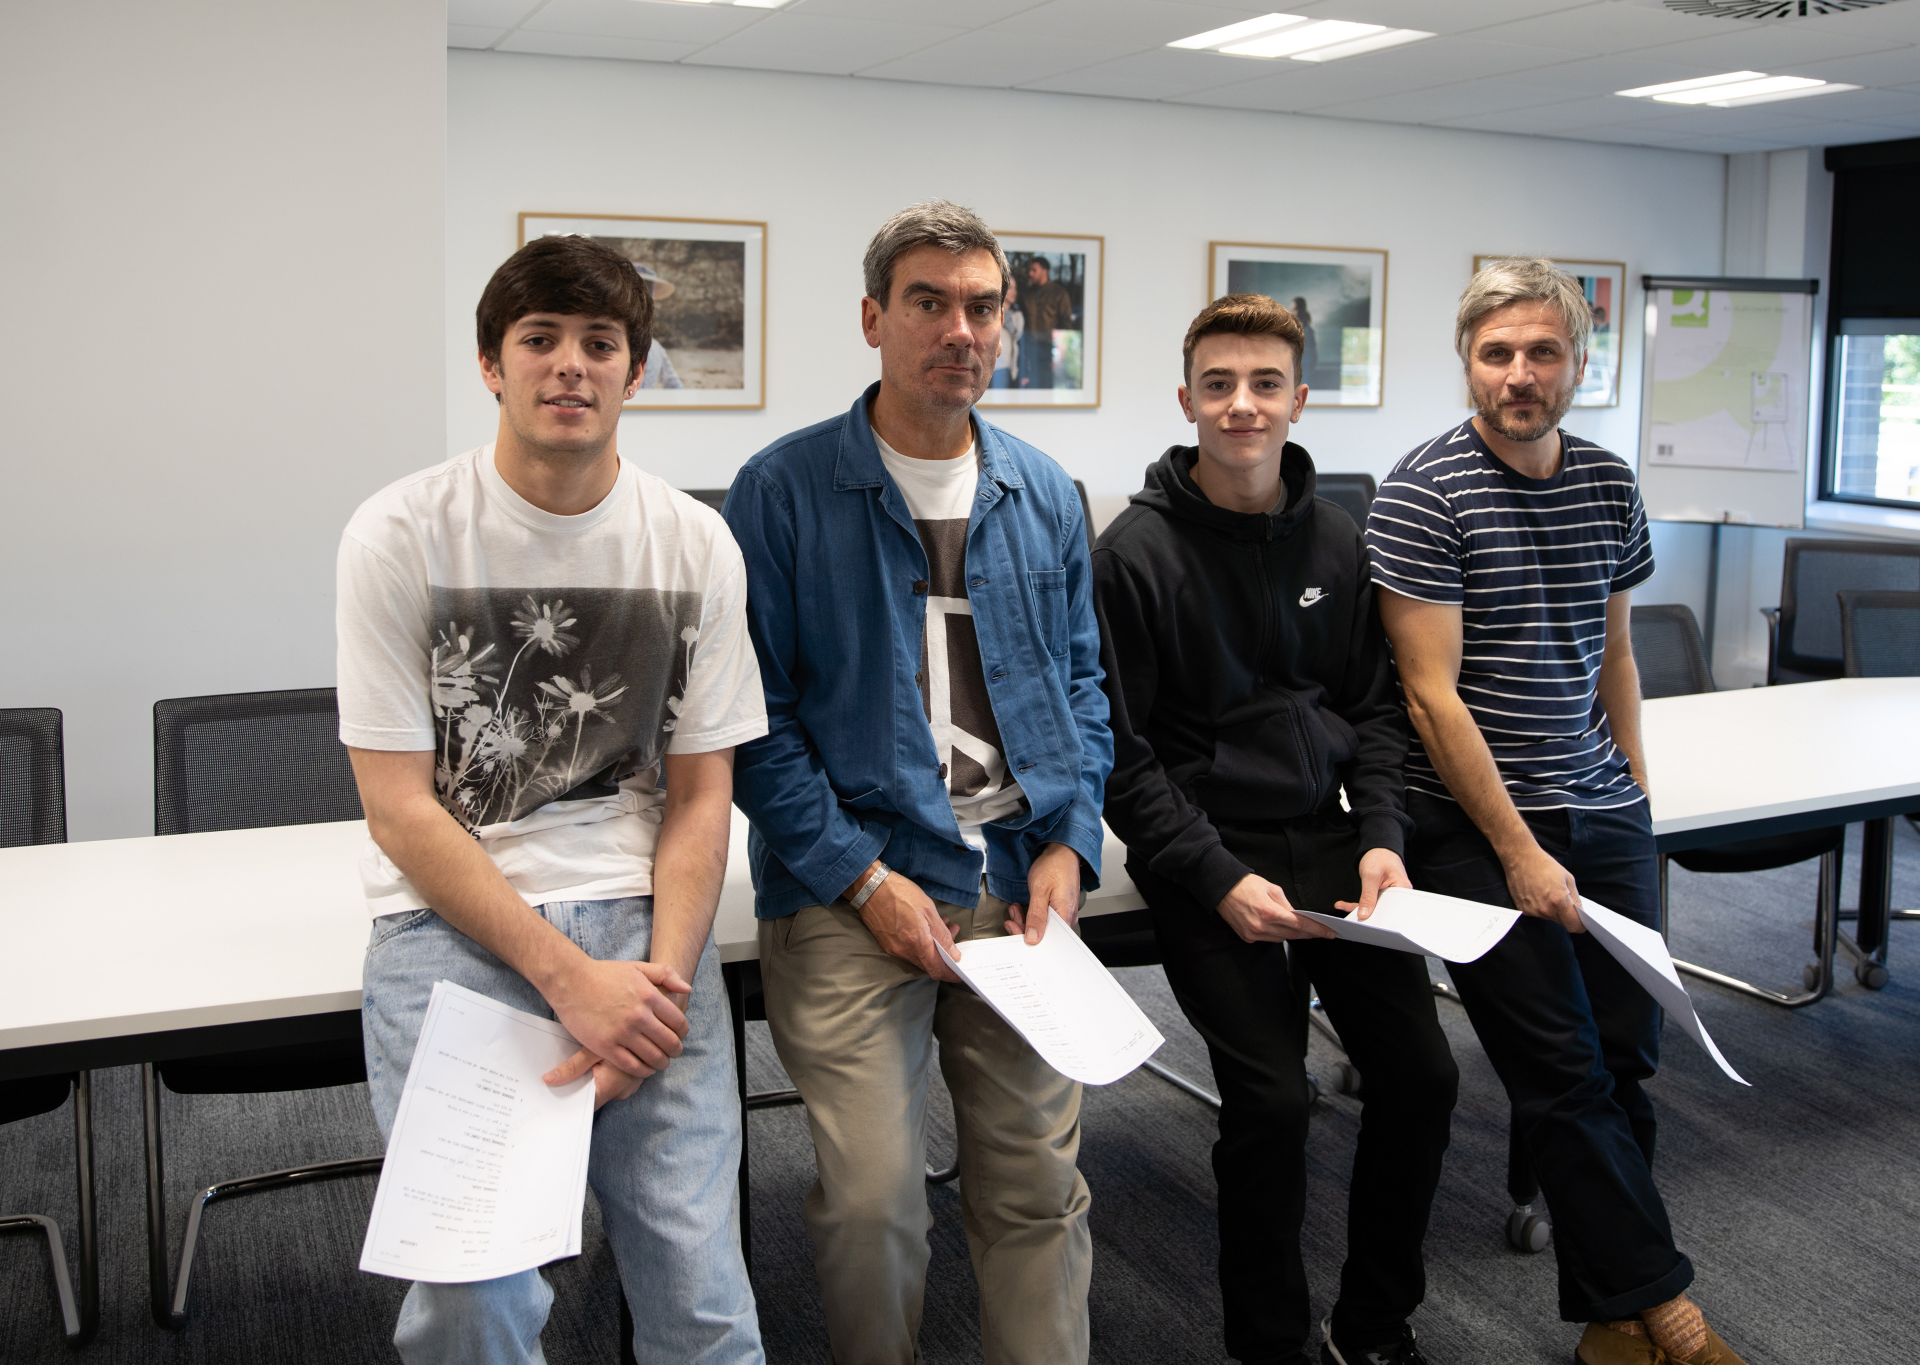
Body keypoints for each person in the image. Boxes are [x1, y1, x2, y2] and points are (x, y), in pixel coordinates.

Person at [336, 234, 767, 1365]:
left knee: (701, 1290)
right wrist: (570, 982)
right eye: (540, 340)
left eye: (599, 343)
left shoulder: (696, 545)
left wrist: (656, 999)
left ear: (635, 373)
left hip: (646, 931)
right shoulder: (400, 533)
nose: (569, 365)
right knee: (474, 1300)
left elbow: (700, 796)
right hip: (455, 930)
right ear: (492, 364)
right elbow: (400, 810)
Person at [723, 199, 1111, 1365]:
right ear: (873, 320)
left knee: (1039, 1189)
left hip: (1015, 881)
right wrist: (861, 878)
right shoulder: (783, 491)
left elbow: (1085, 688)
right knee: (876, 1204)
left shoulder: (1043, 490)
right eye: (930, 303)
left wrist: (1069, 842)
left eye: (984, 306)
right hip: (853, 888)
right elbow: (752, 727)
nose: (962, 329)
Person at [1365, 258, 1749, 1365]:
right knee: (1561, 1071)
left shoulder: (1609, 481)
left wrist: (1630, 787)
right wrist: (1523, 850)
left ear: (1581, 362)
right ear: (1467, 363)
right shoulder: (1426, 490)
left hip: (1601, 810)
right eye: (1497, 354)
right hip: (1478, 829)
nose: (1519, 375)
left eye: (1542, 353)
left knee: (1629, 1062)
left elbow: (1617, 647)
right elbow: (1431, 697)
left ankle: (1610, 1319)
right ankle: (1671, 1314)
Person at [1094, 294, 1457, 1365]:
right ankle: (1270, 1344)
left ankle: (1376, 1323)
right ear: (1187, 399)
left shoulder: (1338, 539)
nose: (1241, 406)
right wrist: (1211, 877)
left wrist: (1384, 834)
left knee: (1425, 1079)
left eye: (1264, 385)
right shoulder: (1136, 554)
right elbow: (1120, 753)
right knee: (1272, 1104)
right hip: (1209, 854)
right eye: (1219, 385)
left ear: (1299, 400)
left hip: (1337, 845)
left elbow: (1375, 712)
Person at [1019, 255, 1075, 389]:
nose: (1030, 273)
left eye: (1034, 270)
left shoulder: (1059, 293)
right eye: (1030, 270)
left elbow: (1066, 324)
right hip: (1030, 346)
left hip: (1049, 347)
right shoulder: (1027, 294)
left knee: (1048, 384)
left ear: (1045, 271)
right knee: (1032, 385)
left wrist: (1061, 350)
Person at [632, 263, 685, 389]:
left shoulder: (656, 349)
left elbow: (675, 386)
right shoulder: (609, 344)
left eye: (647, 292)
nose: (642, 300)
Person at [1291, 295, 1320, 389]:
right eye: (1294, 309)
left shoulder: (1308, 330)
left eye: (1298, 308)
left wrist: (1313, 362)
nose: (1296, 312)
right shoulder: (1291, 328)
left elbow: (1313, 349)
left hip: (1306, 363)